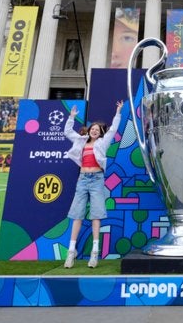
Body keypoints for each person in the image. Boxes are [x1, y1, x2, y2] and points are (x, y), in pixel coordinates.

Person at [63, 101, 122, 268]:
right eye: (92, 128)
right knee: (77, 215)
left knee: (96, 215)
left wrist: (118, 112)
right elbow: (67, 131)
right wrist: (71, 117)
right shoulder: (81, 141)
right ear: (89, 130)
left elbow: (113, 129)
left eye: (98, 129)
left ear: (100, 133)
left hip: (96, 179)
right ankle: (71, 251)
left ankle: (95, 252)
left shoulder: (103, 143)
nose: (94, 131)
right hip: (82, 180)